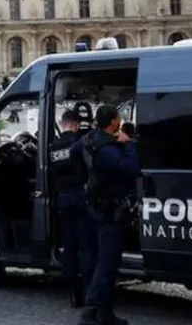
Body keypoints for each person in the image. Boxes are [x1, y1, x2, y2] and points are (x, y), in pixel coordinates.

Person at [74, 103, 139, 325]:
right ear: (113, 121)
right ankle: (92, 308)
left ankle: (104, 312)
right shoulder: (108, 147)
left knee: (103, 259)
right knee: (108, 262)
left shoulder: (89, 140)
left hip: (94, 207)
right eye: (118, 117)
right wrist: (128, 144)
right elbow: (131, 168)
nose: (120, 120)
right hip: (110, 211)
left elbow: (73, 155)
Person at [48, 109, 89, 307]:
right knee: (87, 245)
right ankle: (90, 289)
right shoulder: (81, 143)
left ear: (63, 124)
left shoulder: (53, 147)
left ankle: (74, 293)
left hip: (63, 199)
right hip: (81, 197)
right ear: (76, 125)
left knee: (69, 248)